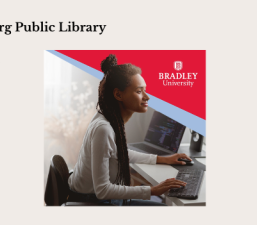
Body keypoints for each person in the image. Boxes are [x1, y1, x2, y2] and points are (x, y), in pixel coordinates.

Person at [68, 54, 192, 206]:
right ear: (118, 94)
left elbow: (118, 153)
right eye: (139, 91)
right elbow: (102, 190)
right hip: (93, 201)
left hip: (97, 196)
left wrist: (163, 159)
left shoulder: (107, 118)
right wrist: (152, 190)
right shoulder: (104, 129)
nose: (147, 97)